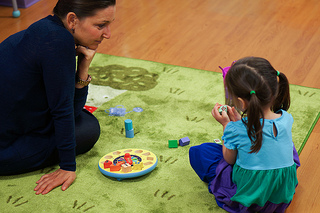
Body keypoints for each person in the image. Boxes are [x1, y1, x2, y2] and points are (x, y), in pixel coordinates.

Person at [0, 0, 116, 195]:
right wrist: (67, 167)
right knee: (88, 128)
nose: (108, 34)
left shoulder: (44, 27)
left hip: (12, 123)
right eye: (100, 25)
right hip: (5, 150)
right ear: (72, 20)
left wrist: (82, 69)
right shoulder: (59, 43)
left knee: (82, 120)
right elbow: (66, 112)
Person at [189, 57, 300, 212]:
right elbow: (262, 134)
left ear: (241, 103)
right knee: (285, 146)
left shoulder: (236, 129)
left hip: (251, 201)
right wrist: (242, 124)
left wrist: (227, 126)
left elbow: (229, 159)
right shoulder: (286, 119)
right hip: (280, 198)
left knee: (200, 152)